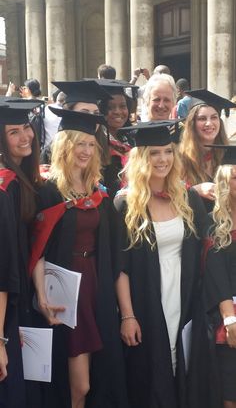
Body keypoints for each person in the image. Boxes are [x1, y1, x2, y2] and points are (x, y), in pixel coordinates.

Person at [29, 108, 128, 408]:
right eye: (79, 143)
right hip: (65, 289)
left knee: (95, 378)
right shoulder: (48, 191)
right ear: (65, 145)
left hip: (94, 285)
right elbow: (37, 249)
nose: (85, 151)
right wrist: (42, 296)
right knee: (78, 384)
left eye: (90, 144)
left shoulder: (98, 191)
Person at [114, 120, 208, 408]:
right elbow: (120, 267)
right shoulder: (125, 204)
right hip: (146, 298)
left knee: (184, 365)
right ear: (141, 158)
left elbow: (205, 249)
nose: (163, 159)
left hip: (184, 294)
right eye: (155, 153)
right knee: (151, 372)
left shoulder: (188, 198)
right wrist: (128, 316)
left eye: (168, 151)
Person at [0, 98, 42, 408]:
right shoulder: (6, 188)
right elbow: (4, 270)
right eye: (13, 132)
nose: (24, 136)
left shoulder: (22, 181)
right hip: (7, 311)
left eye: (26, 127)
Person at [203, 145, 236, 408]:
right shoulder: (213, 224)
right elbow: (217, 277)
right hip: (230, 318)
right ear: (224, 180)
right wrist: (230, 318)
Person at [179, 89, 235, 210]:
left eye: (214, 117)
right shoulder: (180, 158)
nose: (209, 123)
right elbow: (166, 192)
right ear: (192, 123)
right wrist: (194, 190)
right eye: (202, 118)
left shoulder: (229, 156)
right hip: (194, 225)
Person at [98, 79, 137, 197]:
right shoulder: (97, 143)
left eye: (123, 106)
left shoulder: (132, 139)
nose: (118, 112)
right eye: (111, 107)